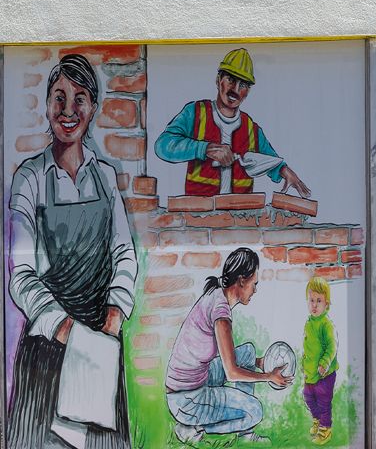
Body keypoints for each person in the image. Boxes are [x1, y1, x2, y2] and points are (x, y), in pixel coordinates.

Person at [7, 53, 138, 449]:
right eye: (59, 98)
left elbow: (124, 255)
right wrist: (64, 328)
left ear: (93, 108)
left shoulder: (105, 179)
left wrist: (113, 318)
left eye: (79, 98)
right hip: (47, 351)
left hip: (99, 344)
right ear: (47, 106)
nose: (68, 110)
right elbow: (21, 275)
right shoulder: (29, 179)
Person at [165, 248, 293, 446]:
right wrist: (268, 376)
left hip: (196, 381)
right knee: (255, 411)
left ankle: (245, 434)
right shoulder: (221, 314)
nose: (255, 290)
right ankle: (193, 428)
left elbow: (234, 361)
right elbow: (232, 372)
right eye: (254, 284)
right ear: (242, 281)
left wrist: (262, 363)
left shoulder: (216, 295)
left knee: (248, 352)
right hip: (187, 400)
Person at [155, 47, 310, 197]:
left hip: (240, 218)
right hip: (200, 216)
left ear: (247, 92)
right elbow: (163, 145)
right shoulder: (195, 113)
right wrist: (205, 148)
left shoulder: (251, 128)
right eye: (231, 80)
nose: (235, 90)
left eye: (242, 85)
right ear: (218, 81)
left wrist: (285, 171)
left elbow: (270, 161)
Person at [302, 275, 339, 445]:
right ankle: (317, 419)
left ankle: (325, 429)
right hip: (311, 372)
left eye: (319, 300)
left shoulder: (326, 324)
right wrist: (305, 365)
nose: (314, 305)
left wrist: (324, 363)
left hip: (325, 373)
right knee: (308, 396)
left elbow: (331, 347)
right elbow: (308, 348)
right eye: (311, 300)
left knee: (324, 400)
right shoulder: (309, 323)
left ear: (327, 304)